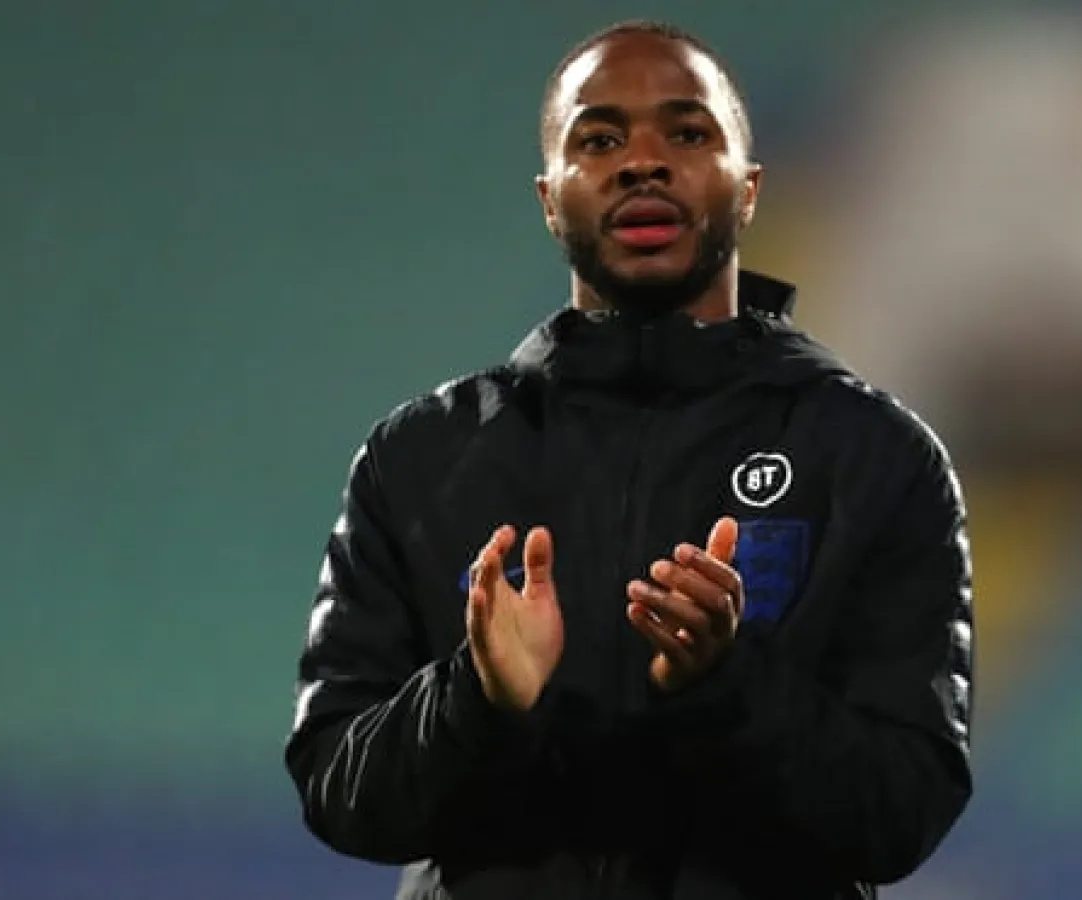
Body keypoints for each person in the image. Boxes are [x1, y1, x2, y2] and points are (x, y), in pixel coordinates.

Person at [283, 19, 975, 900]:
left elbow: (903, 811)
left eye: (687, 134)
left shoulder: (876, 459)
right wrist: (476, 697)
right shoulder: (421, 459)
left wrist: (730, 682)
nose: (642, 162)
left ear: (751, 188)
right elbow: (340, 794)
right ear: (547, 197)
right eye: (600, 138)